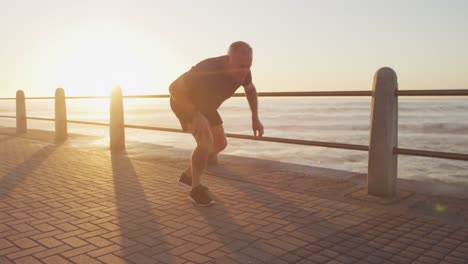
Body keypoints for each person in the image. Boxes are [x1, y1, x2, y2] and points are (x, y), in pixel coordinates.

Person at [169, 41, 264, 206]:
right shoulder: (207, 68)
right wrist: (194, 114)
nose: (244, 71)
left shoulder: (245, 72)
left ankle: (189, 175)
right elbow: (174, 88)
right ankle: (195, 189)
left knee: (220, 144)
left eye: (248, 66)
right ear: (228, 60)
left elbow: (250, 90)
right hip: (184, 103)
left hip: (207, 106)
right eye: (241, 66)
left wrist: (255, 117)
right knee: (205, 141)